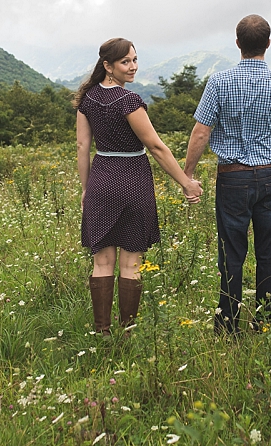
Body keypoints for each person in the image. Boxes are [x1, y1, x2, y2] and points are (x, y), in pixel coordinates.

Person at [184, 15, 271, 334]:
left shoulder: (219, 82)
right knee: (270, 251)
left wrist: (187, 174)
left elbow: (201, 133)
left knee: (232, 252)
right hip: (270, 178)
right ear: (268, 44)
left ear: (238, 43)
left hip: (232, 178)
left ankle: (227, 324)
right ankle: (267, 320)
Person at [75, 37, 203, 337]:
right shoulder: (129, 102)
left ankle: (103, 332)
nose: (132, 66)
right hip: (132, 181)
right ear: (108, 66)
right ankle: (127, 332)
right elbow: (156, 147)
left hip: (101, 180)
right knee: (130, 262)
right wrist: (185, 183)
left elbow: (82, 147)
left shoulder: (88, 99)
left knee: (102, 261)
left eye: (134, 59)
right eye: (125, 62)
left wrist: (85, 188)